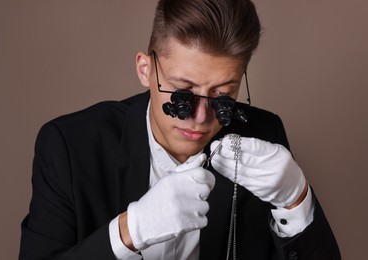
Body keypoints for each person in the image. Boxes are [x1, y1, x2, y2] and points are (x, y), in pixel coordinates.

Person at [19, 0, 341, 259]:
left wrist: (297, 201)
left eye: (223, 96)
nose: (201, 117)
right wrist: (129, 231)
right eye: (182, 93)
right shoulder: (69, 147)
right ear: (145, 70)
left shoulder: (262, 135)